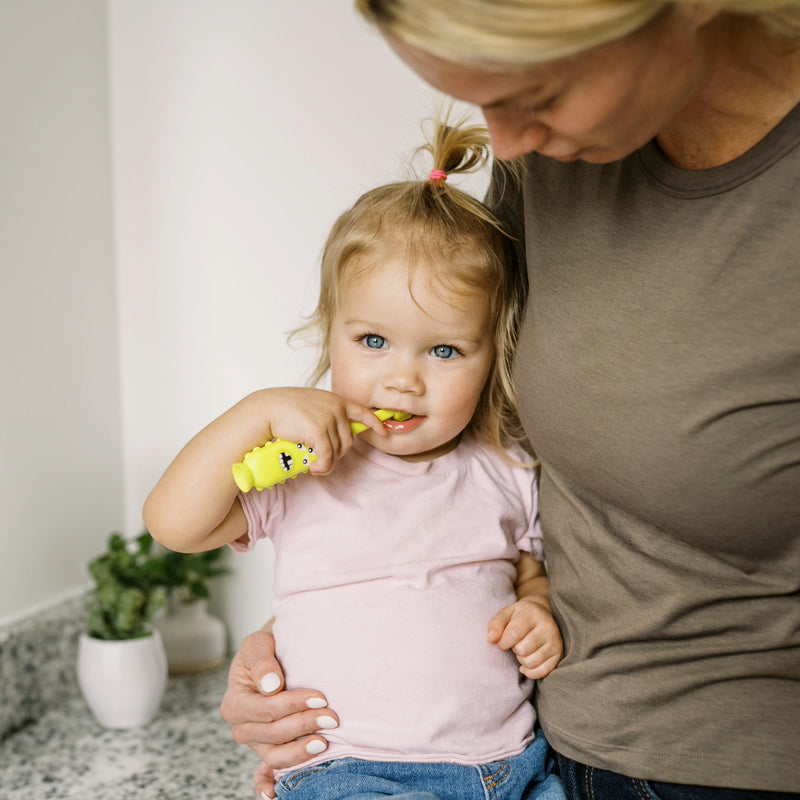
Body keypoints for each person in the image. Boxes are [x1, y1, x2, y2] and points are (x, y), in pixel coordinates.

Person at [218, 2, 800, 799]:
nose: (510, 144)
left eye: (541, 89)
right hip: (540, 744)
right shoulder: (553, 160)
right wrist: (313, 645)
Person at [144, 117, 567, 800]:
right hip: (352, 771)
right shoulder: (301, 467)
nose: (402, 379)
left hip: (509, 766)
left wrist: (536, 611)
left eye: (443, 351)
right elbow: (173, 523)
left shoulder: (504, 468)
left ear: (494, 359)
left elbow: (527, 573)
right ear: (330, 331)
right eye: (373, 340)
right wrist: (255, 413)